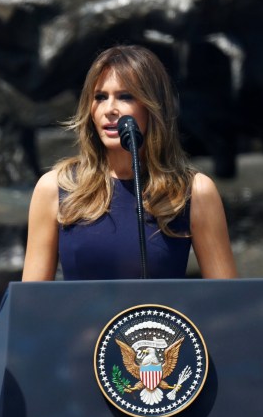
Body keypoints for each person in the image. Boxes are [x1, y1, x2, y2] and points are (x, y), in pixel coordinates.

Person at [22, 45, 237, 281]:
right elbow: (30, 305)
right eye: (100, 97)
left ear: (154, 106)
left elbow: (227, 300)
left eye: (125, 96)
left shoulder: (194, 192)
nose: (110, 109)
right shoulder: (56, 188)